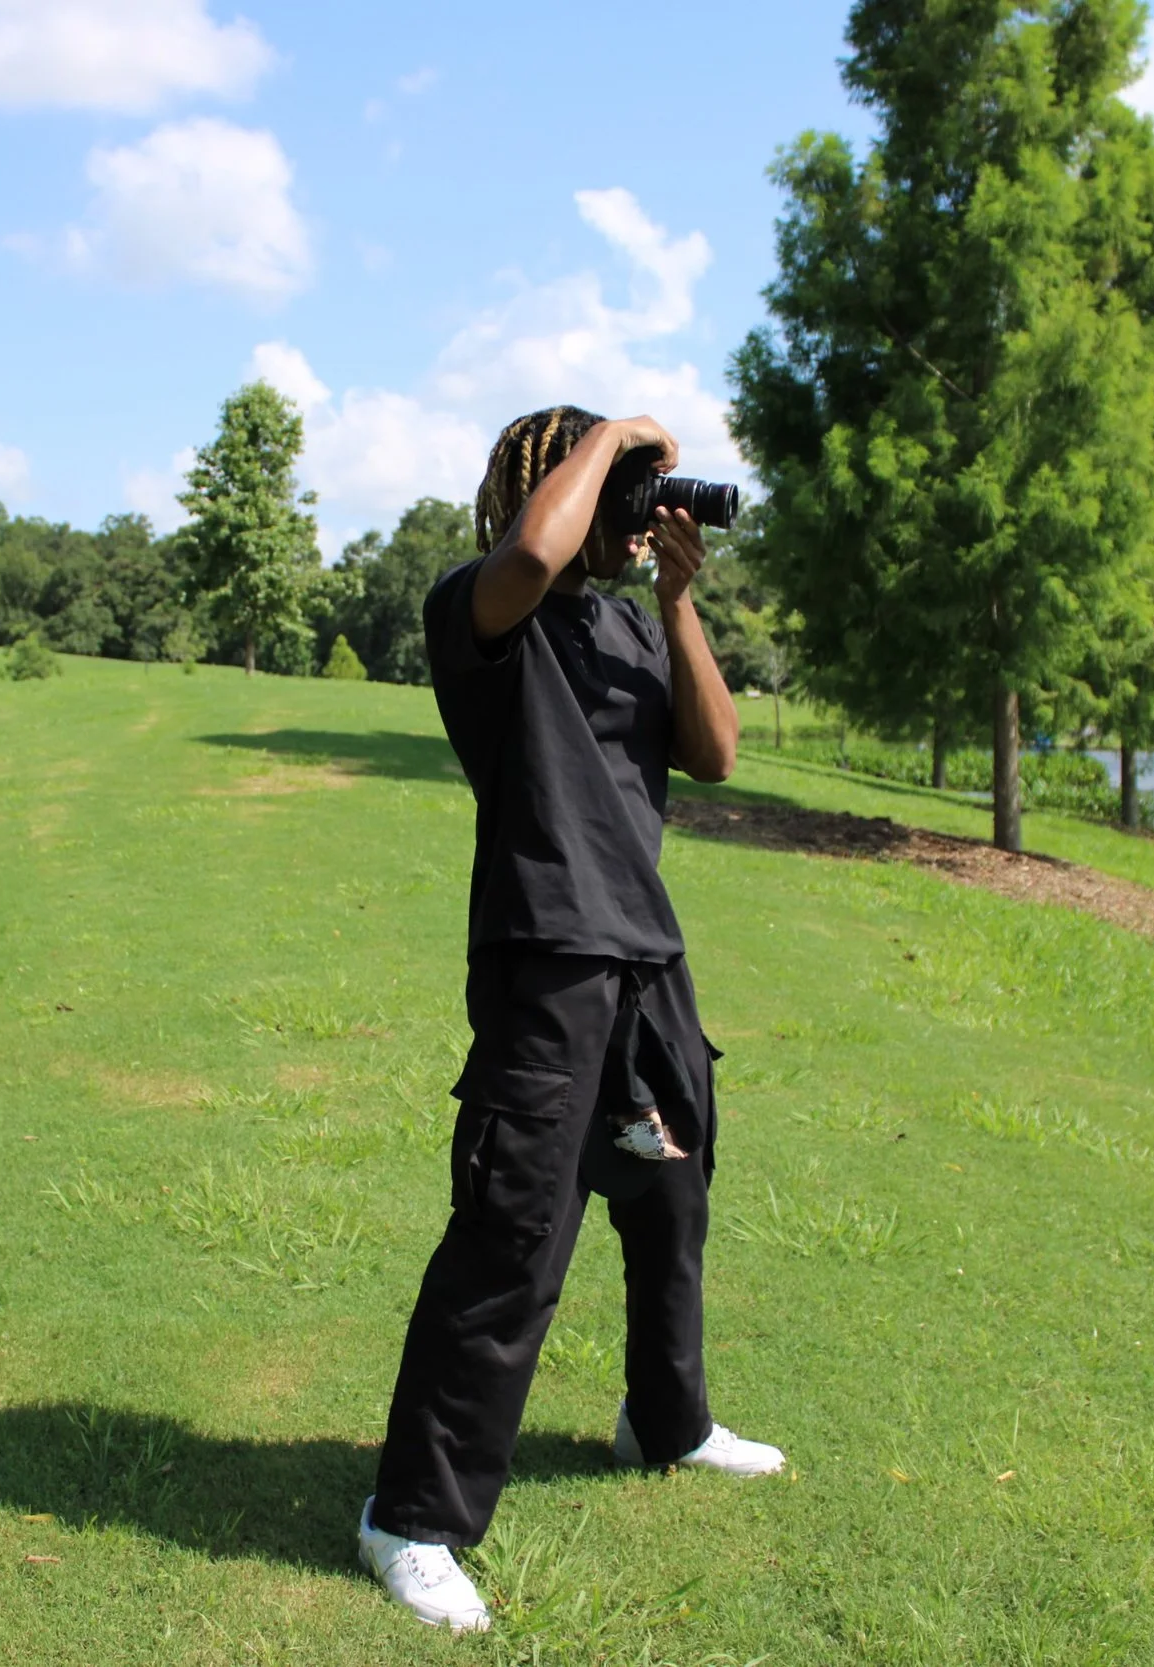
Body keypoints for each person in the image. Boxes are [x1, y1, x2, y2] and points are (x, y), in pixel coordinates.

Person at [355, 407, 785, 1632]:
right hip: (545, 959)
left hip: (646, 956)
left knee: (670, 1194)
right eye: (628, 490)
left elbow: (714, 753)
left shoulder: (623, 623)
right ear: (564, 484)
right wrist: (616, 434)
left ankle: (666, 1418)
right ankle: (412, 1517)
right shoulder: (481, 608)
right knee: (514, 1233)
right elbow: (532, 558)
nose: (646, 512)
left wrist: (680, 601)